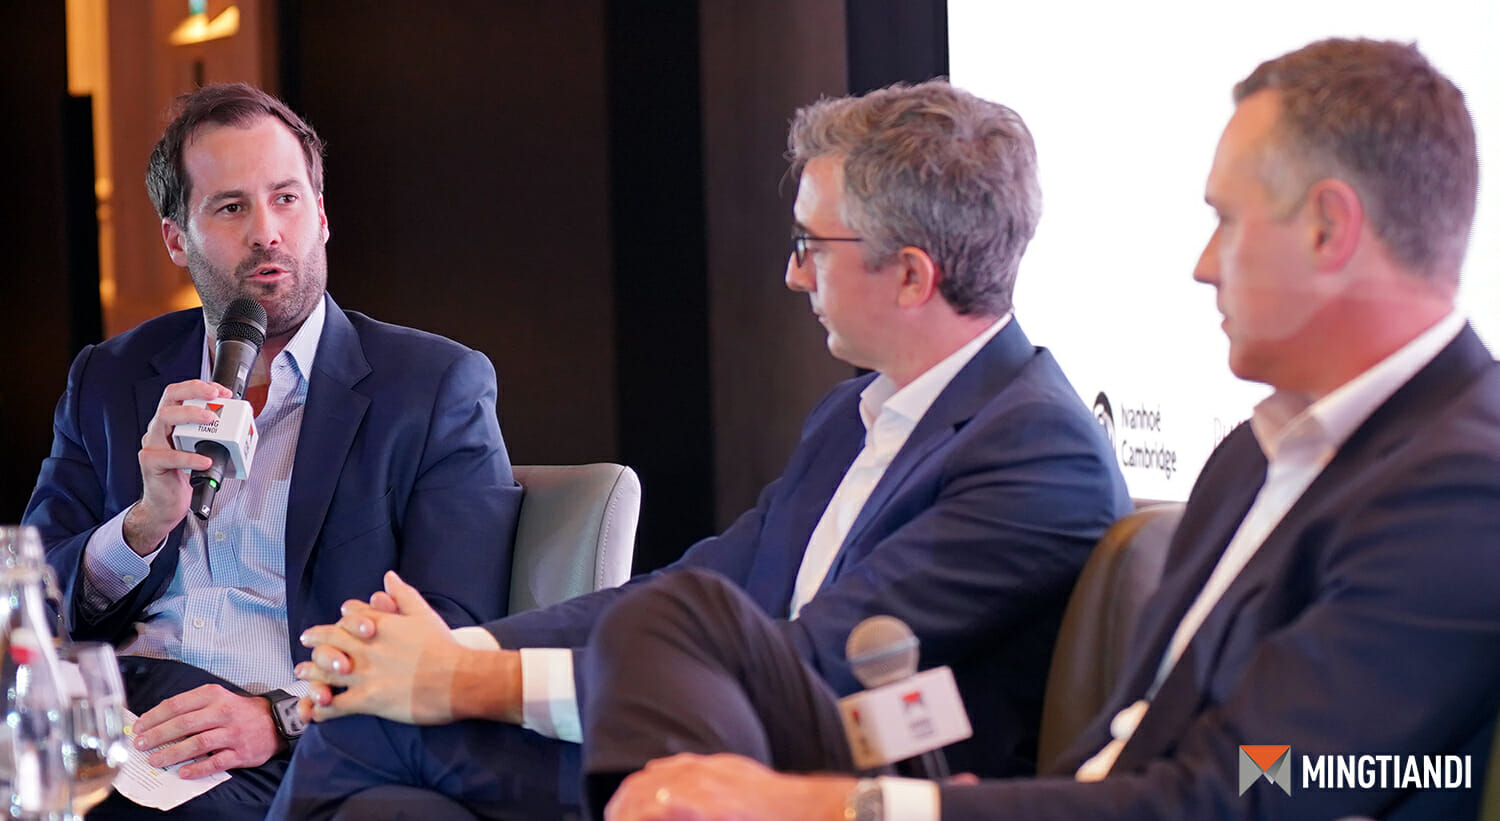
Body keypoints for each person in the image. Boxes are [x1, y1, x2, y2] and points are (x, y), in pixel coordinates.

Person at [589, 37, 1500, 821]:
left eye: (1226, 221)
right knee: (676, 618)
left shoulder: (1462, 490)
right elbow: (1123, 751)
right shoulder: (1251, 456)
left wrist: (852, 806)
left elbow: (1247, 790)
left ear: (1329, 228)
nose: (1202, 264)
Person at [270, 79, 1132, 818]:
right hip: (711, 734)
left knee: (368, 736)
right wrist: (452, 654)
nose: (794, 274)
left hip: (817, 780)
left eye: (812, 245)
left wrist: (471, 682)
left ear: (911, 274)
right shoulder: (852, 415)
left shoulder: (1037, 451)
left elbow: (812, 666)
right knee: (377, 763)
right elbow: (699, 585)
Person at [22, 82, 521, 819]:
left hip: (289, 749)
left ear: (321, 215)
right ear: (176, 239)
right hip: (114, 719)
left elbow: (457, 624)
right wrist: (143, 524)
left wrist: (278, 718)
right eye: (231, 207)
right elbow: (33, 601)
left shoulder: (433, 386)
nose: (267, 232)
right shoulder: (110, 378)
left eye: (286, 199)